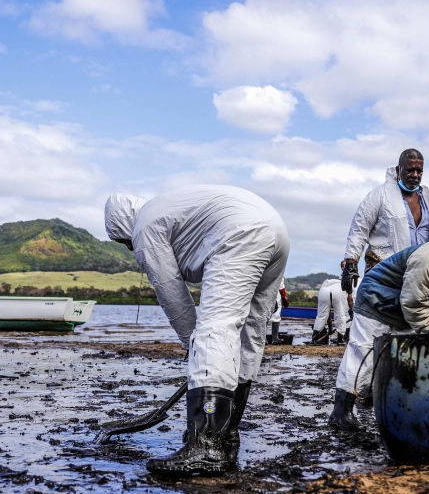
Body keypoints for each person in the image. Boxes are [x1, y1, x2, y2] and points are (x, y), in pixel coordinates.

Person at [104, 186, 290, 475]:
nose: (129, 247)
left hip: (239, 233)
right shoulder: (165, 208)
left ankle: (206, 445)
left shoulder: (144, 227)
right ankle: (224, 434)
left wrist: (196, 348)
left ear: (123, 225)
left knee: (214, 330)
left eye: (123, 241)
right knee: (250, 333)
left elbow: (172, 295)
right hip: (276, 231)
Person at [330, 149, 429, 432]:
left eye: (419, 170)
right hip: (381, 279)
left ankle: (393, 402)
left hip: (414, 283)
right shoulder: (380, 195)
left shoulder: (427, 199)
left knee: (406, 342)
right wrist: (350, 263)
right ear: (398, 168)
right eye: (410, 170)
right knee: (363, 344)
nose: (415, 175)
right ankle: (341, 410)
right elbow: (359, 229)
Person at [311, 277, 350, 344]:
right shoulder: (345, 285)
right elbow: (351, 300)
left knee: (321, 315)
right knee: (340, 314)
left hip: (324, 290)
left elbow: (327, 313)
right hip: (339, 290)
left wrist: (330, 327)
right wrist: (351, 312)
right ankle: (340, 340)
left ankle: (314, 339)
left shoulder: (329, 283)